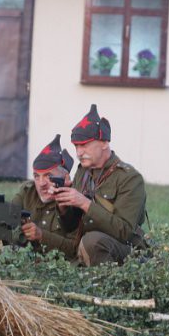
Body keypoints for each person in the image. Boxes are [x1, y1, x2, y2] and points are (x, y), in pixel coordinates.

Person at [54, 104, 147, 266]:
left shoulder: (129, 178)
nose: (79, 152)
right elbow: (71, 227)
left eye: (84, 144)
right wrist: (63, 207)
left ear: (104, 142)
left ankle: (108, 287)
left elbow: (124, 232)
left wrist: (84, 203)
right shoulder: (83, 171)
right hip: (88, 245)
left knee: (93, 241)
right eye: (76, 146)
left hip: (124, 249)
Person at [11, 134, 82, 260]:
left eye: (48, 176)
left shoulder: (75, 200)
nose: (41, 183)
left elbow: (75, 249)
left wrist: (41, 236)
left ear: (65, 178)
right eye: (37, 176)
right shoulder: (27, 192)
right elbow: (6, 221)